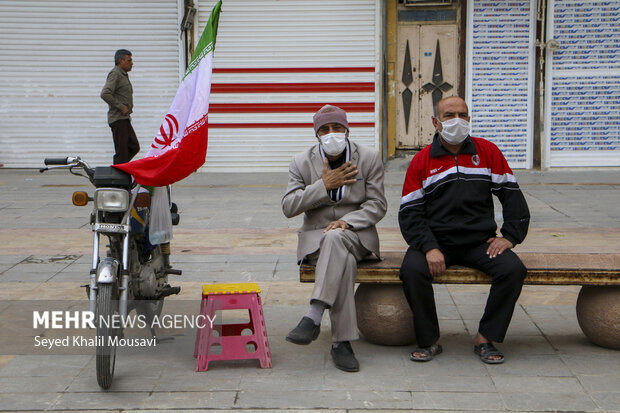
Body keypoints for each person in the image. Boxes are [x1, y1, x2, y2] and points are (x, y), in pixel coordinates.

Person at [398, 96, 530, 364]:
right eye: (449, 115)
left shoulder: (487, 152)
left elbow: (512, 197)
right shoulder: (421, 161)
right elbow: (409, 214)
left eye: (462, 114)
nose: (456, 120)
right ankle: (430, 340)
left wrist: (511, 237)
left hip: (479, 242)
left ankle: (485, 338)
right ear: (436, 122)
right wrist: (429, 246)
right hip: (437, 242)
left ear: (469, 119)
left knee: (513, 270)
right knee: (411, 271)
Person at [282, 104, 387, 372]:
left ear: (347, 129)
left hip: (358, 235)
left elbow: (378, 205)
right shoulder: (301, 162)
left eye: (337, 127)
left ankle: (314, 314)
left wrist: (347, 221)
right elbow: (289, 207)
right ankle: (342, 343)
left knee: (337, 237)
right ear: (316, 134)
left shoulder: (369, 158)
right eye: (325, 129)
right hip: (317, 241)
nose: (332, 134)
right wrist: (323, 186)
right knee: (342, 259)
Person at [101, 49, 140, 164]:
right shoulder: (115, 74)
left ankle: (119, 169)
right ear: (120, 61)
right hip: (118, 119)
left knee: (134, 146)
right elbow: (105, 93)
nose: (131, 63)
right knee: (121, 151)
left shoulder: (122, 74)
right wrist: (121, 107)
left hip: (124, 119)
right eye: (129, 60)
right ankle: (118, 176)